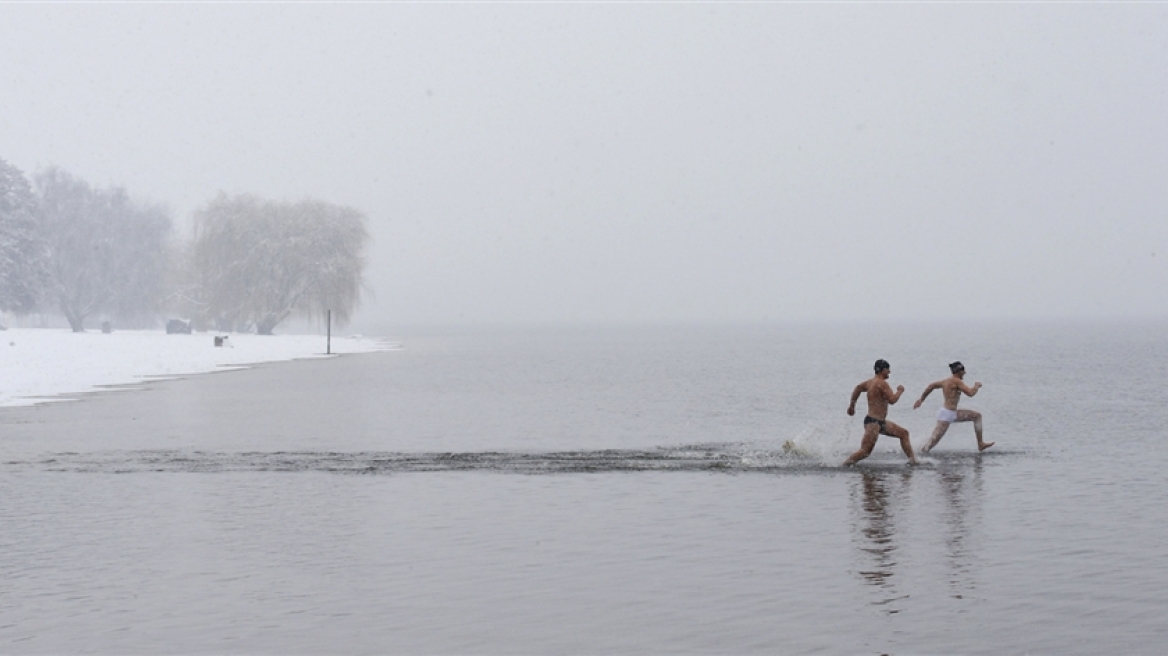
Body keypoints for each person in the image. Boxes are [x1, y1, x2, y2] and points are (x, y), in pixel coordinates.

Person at [844, 359, 918, 466]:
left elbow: (858, 388)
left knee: (904, 434)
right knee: (865, 451)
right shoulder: (882, 383)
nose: (889, 372)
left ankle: (913, 461)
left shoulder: (870, 382)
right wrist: (900, 391)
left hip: (880, 422)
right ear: (882, 370)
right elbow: (892, 400)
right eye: (888, 369)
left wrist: (852, 406)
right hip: (873, 423)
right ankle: (845, 465)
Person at [913, 361, 993, 453]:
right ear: (959, 371)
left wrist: (921, 399)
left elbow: (931, 386)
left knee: (977, 416)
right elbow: (970, 393)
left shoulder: (945, 381)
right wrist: (976, 386)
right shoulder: (957, 382)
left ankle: (980, 444)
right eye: (963, 371)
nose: (965, 373)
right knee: (931, 444)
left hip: (951, 413)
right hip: (946, 415)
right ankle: (916, 455)